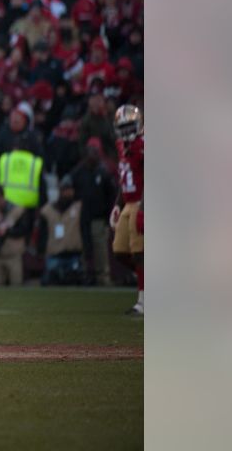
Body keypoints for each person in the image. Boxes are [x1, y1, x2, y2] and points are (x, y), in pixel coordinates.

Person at [69, 138, 119, 285]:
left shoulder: (104, 173)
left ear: (99, 153)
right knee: (84, 247)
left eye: (95, 151)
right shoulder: (79, 171)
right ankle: (86, 276)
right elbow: (69, 186)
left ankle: (103, 277)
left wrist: (109, 216)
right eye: (90, 151)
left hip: (99, 217)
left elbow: (112, 196)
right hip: (82, 217)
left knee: (100, 249)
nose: (92, 154)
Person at [110, 104, 144, 315]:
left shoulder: (143, 144)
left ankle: (143, 301)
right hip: (128, 201)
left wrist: (144, 208)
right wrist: (117, 204)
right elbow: (125, 178)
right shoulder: (121, 145)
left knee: (141, 253)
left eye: (129, 126)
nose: (126, 131)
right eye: (122, 127)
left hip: (142, 201)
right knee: (120, 250)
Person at [40, 176, 85, 285]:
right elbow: (42, 234)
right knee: (51, 279)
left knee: (75, 279)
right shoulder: (47, 210)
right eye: (65, 190)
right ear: (60, 191)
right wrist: (40, 249)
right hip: (54, 255)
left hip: (74, 255)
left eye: (70, 190)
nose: (68, 193)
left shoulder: (78, 208)